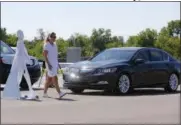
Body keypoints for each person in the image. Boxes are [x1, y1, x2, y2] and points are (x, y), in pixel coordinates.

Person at [43, 32, 66, 98]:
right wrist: (48, 64)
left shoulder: (55, 45)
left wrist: (58, 64)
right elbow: (45, 56)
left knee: (49, 79)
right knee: (55, 78)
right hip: (50, 64)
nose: (54, 38)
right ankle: (60, 93)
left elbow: (55, 56)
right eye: (52, 37)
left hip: (55, 64)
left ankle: (44, 93)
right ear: (49, 37)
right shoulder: (46, 45)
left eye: (55, 37)